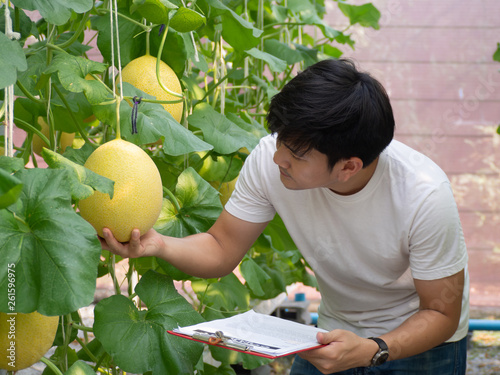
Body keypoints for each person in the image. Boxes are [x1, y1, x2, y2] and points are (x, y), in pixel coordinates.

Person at [101, 58, 469, 375]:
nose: (278, 157)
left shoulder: (423, 195)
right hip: (330, 335)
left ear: (348, 167)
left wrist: (374, 348)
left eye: (294, 152)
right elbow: (221, 247)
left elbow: (441, 313)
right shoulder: (270, 160)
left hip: (421, 346)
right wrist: (160, 244)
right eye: (279, 139)